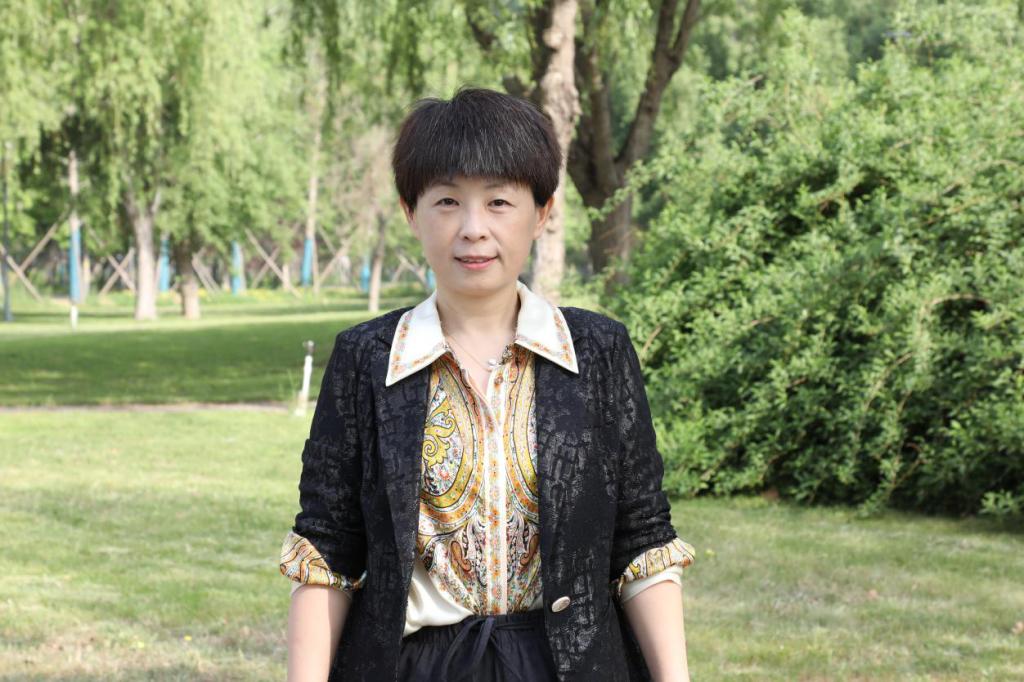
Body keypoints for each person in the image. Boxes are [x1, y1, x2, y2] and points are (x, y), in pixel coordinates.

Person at [279, 86, 695, 682]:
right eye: (447, 201)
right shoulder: (366, 359)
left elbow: (643, 541)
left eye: (499, 202)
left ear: (543, 212)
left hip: (570, 665)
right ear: (410, 211)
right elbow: (327, 552)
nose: (473, 229)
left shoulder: (598, 352)